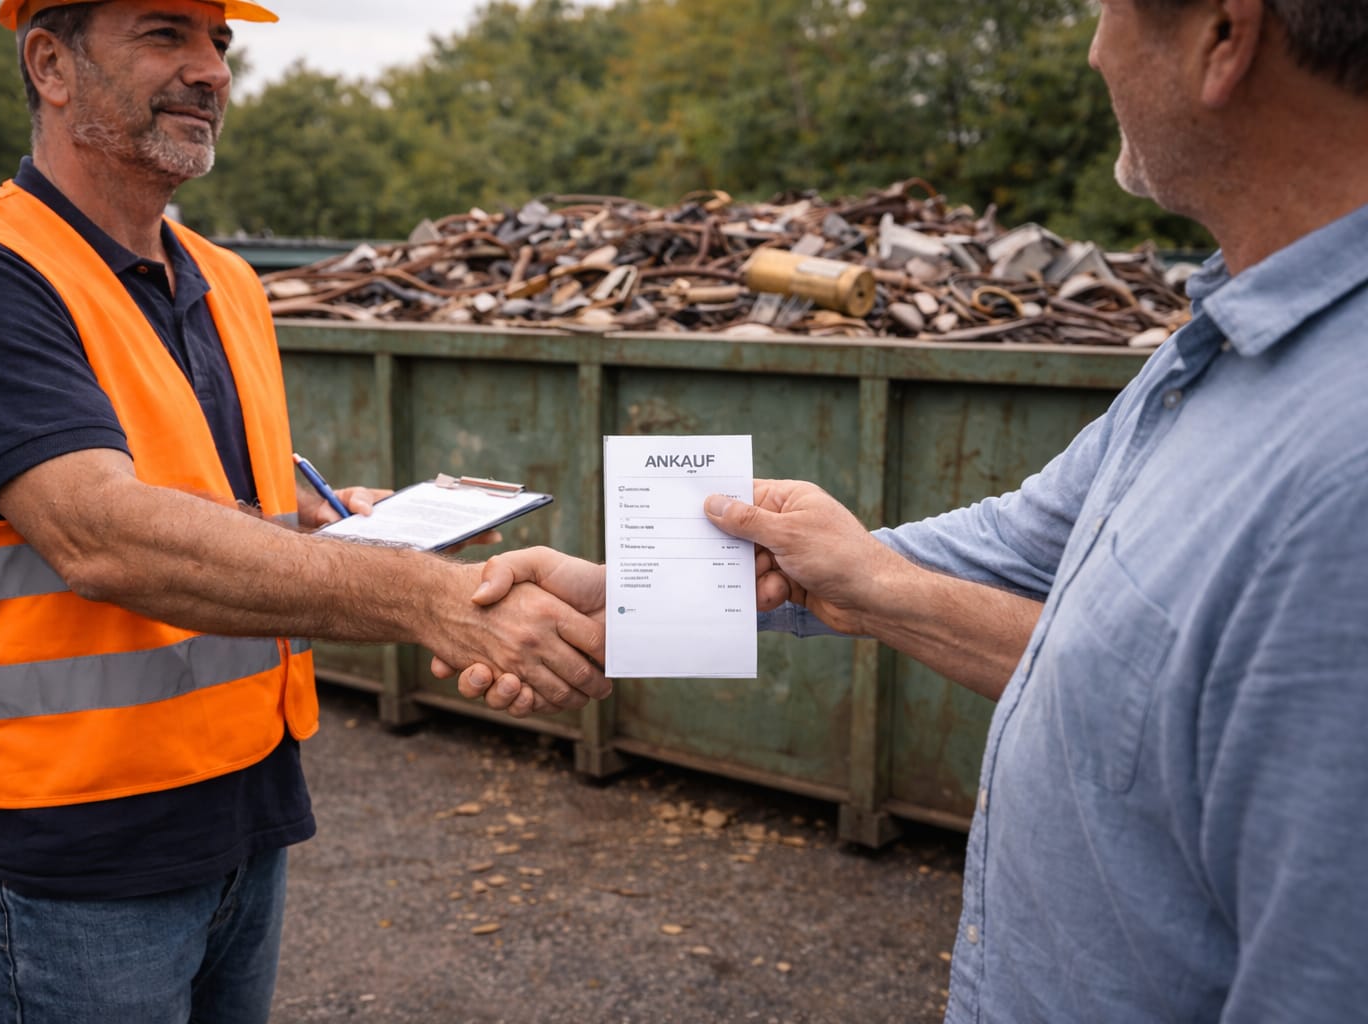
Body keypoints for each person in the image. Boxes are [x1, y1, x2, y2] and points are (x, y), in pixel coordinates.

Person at [450, 0, 1368, 1018]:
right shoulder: (1207, 362)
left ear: (1223, 39)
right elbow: (1016, 555)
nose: (1096, 47)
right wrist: (635, 592)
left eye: (1110, 12)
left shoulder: (1344, 480)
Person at [0, 1, 606, 1020]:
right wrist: (432, 599)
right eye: (166, 34)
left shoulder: (228, 282)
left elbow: (215, 501)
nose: (210, 69)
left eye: (221, 42)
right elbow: (103, 533)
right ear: (50, 62)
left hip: (244, 808)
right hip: (76, 845)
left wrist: (330, 524)